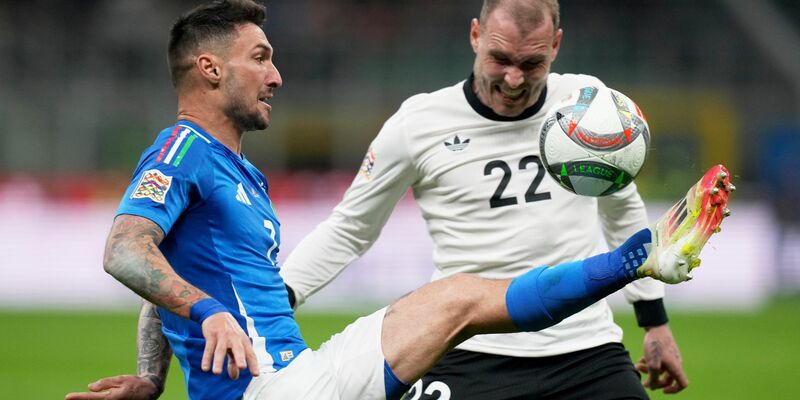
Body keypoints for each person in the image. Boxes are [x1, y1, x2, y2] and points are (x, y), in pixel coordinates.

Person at [65, 1, 733, 399]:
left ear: (556, 48)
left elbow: (172, 274)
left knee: (456, 297)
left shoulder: (238, 175)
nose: (277, 75)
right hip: (425, 365)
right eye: (261, 58)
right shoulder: (184, 151)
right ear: (475, 35)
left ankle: (643, 260)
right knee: (459, 295)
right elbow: (128, 250)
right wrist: (208, 311)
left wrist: (151, 376)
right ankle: (642, 257)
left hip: (578, 350)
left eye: (532, 64)